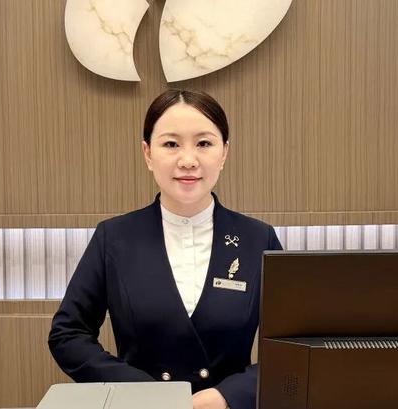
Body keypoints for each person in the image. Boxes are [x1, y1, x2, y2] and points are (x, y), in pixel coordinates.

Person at [48, 89, 283, 409]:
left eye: (204, 143)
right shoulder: (113, 238)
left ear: (224, 152)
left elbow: (291, 345)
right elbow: (68, 334)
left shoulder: (258, 238)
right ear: (147, 153)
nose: (188, 160)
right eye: (171, 144)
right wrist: (142, 392)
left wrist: (231, 395)